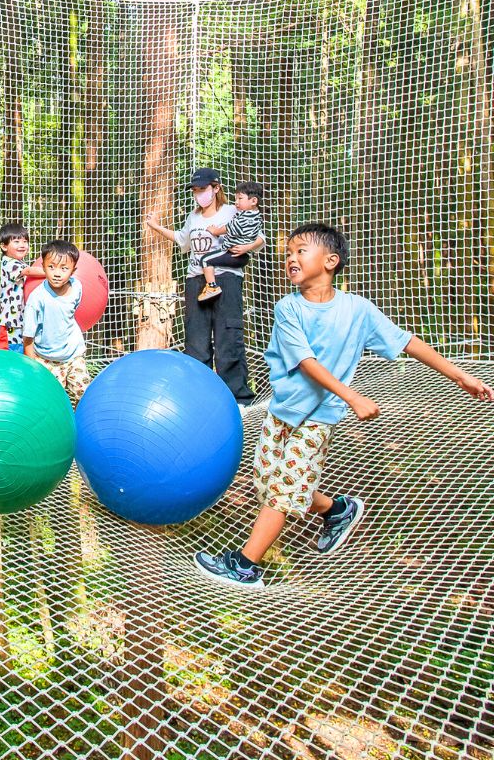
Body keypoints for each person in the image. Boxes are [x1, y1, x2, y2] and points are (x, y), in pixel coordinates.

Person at [194, 223, 492, 590]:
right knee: (269, 484)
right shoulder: (288, 308)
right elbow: (305, 361)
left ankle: (244, 565)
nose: (291, 258)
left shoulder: (357, 310)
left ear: (331, 261)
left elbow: (406, 342)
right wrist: (353, 397)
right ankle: (336, 509)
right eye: (288, 252)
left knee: (284, 492)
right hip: (281, 411)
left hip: (318, 417)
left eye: (301, 251)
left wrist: (458, 375)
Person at [145, 167, 258, 406]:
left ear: (216, 188)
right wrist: (155, 226)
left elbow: (258, 235)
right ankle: (198, 398)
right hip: (196, 280)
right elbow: (181, 240)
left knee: (228, 337)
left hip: (226, 278)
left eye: (203, 189)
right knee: (196, 342)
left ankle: (238, 399)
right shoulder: (193, 217)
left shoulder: (232, 211)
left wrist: (245, 249)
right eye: (195, 190)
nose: (199, 194)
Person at [23, 239, 89, 402]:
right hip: (47, 359)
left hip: (74, 354)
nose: (57, 273)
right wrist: (34, 368)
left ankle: (82, 423)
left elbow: (70, 313)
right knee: (52, 402)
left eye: (64, 268)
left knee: (84, 392)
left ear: (73, 271)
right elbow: (28, 338)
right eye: (51, 267)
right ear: (43, 267)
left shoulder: (77, 287)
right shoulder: (36, 299)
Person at [199, 181, 265, 303]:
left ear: (254, 201)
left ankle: (212, 286)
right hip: (244, 256)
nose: (236, 202)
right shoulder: (257, 217)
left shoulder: (244, 218)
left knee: (205, 260)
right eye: (236, 198)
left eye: (240, 198)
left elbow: (229, 228)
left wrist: (215, 231)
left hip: (233, 255)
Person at [0, 222, 41, 354]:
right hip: (9, 322)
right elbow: (27, 271)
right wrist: (50, 271)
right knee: (8, 356)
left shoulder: (20, 262)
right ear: (4, 246)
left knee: (21, 355)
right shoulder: (8, 262)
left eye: (25, 241)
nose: (22, 245)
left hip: (21, 321)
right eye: (16, 241)